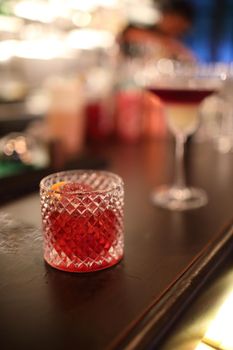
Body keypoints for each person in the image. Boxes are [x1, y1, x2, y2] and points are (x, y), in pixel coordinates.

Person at [119, 0, 196, 62]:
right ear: (171, 16)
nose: (178, 31)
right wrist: (169, 44)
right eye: (178, 25)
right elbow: (130, 34)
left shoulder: (174, 41)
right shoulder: (147, 21)